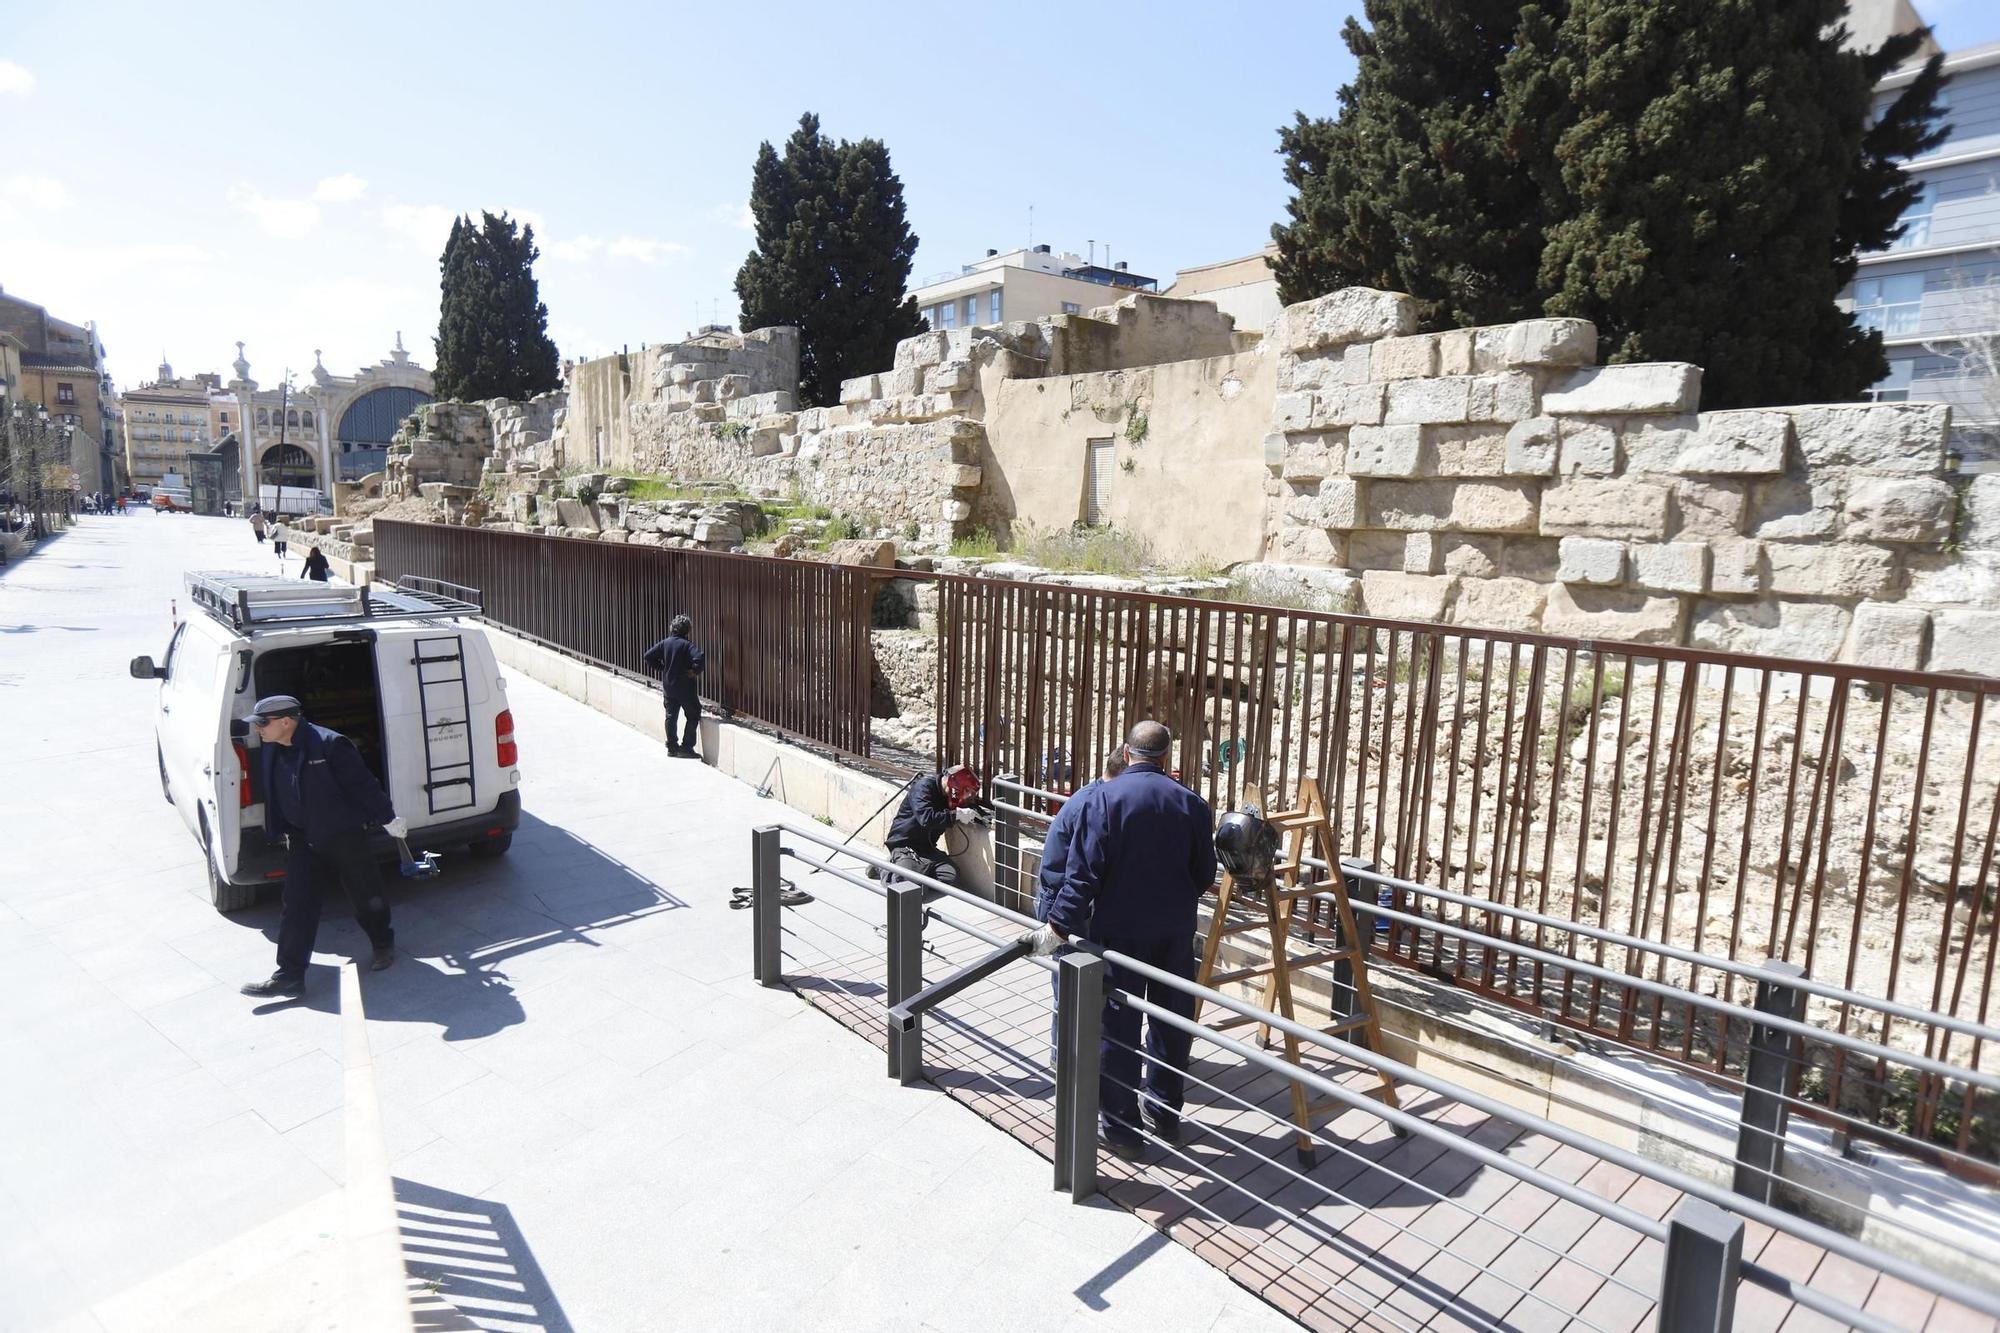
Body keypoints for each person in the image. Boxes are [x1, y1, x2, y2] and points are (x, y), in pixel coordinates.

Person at [1031, 721, 1216, 1161]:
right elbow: (1204, 874)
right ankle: (1164, 1112)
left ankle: (1121, 1129)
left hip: (1119, 935)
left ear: (1127, 753)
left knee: (1117, 1030)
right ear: (1166, 757)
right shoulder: (1192, 803)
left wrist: (1058, 926)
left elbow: (1082, 875)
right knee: (1171, 1022)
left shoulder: (1102, 800)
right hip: (1173, 934)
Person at [239, 696, 403, 998]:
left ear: (286, 721)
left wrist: (388, 818)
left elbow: (363, 785)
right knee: (297, 903)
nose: (258, 729)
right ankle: (289, 976)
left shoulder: (330, 745)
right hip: (303, 838)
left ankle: (382, 943)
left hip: (344, 834)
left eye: (263, 723)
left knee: (366, 893)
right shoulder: (273, 747)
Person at [1031, 746, 1129, 1048]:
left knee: (1077, 984)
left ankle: (1074, 1054)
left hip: (1068, 900)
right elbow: (1080, 872)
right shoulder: (1094, 804)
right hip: (1065, 903)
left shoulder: (1096, 796)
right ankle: (1063, 1058)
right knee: (1070, 988)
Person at [885, 764, 982, 891]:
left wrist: (983, 816)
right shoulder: (922, 788)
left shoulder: (949, 797)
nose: (966, 796)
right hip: (905, 845)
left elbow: (969, 808)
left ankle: (915, 872)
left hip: (927, 849)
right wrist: (955, 815)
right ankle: (885, 869)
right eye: (965, 791)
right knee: (905, 884)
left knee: (951, 876)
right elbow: (926, 818)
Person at [641, 614, 706, 757]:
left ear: (672, 628)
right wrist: (694, 671)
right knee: (693, 714)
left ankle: (672, 747)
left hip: (669, 687)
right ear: (687, 630)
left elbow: (648, 656)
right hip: (685, 688)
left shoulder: (665, 643)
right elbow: (699, 658)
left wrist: (661, 667)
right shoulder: (687, 645)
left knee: (671, 716)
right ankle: (686, 747)